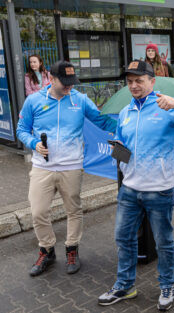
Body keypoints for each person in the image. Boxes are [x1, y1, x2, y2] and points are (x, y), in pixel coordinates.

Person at [97, 60, 174, 310]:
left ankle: (167, 285)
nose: (134, 85)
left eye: (139, 80)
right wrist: (117, 150)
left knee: (163, 241)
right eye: (130, 81)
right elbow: (122, 146)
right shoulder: (126, 112)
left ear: (151, 81)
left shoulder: (166, 105)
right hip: (130, 189)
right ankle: (125, 286)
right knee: (123, 237)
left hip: (160, 189)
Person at [16, 61, 117, 277]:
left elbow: (101, 121)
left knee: (74, 210)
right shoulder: (34, 100)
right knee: (38, 211)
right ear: (51, 79)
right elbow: (22, 129)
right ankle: (47, 250)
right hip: (42, 167)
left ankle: (72, 249)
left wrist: (130, 128)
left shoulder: (79, 99)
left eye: (73, 82)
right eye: (65, 82)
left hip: (71, 166)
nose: (70, 86)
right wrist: (34, 144)